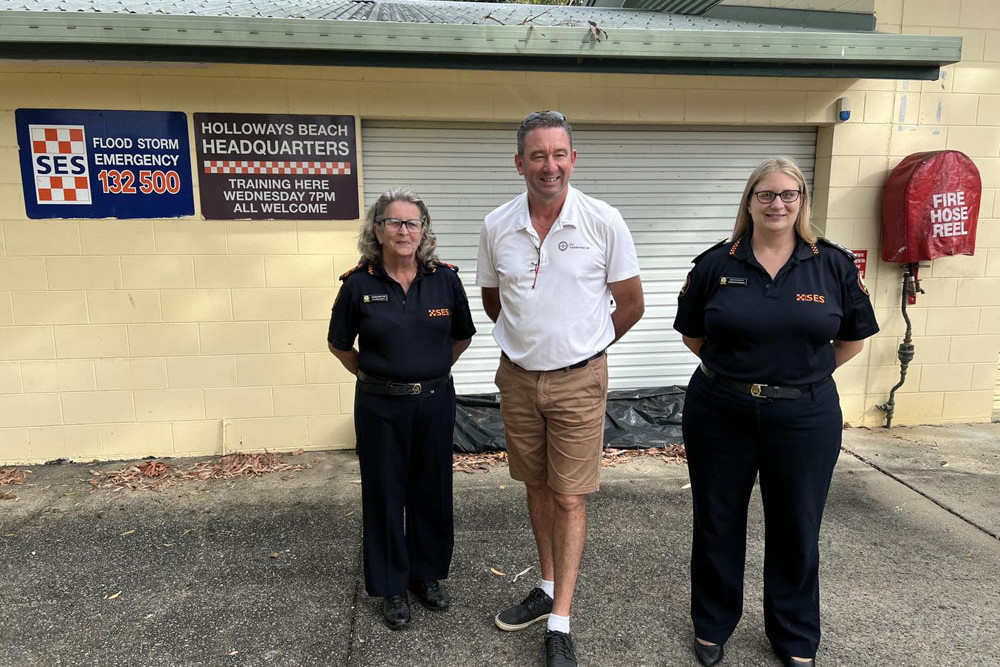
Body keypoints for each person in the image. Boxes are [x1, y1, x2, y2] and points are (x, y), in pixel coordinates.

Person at [673, 157, 879, 667]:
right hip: (721, 410)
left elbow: (852, 338)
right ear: (749, 201)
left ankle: (793, 635)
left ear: (802, 201)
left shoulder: (831, 264)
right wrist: (743, 379)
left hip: (804, 417)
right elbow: (694, 335)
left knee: (797, 524)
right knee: (718, 520)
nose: (777, 204)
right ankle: (713, 624)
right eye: (766, 194)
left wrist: (797, 378)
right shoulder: (716, 264)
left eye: (789, 194)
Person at [476, 110, 644, 667]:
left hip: (579, 381)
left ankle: (560, 622)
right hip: (518, 380)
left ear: (574, 158)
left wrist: (582, 348)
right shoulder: (496, 224)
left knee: (570, 495)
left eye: (559, 153)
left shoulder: (603, 221)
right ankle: (547, 586)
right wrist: (532, 346)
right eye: (538, 155)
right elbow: (494, 301)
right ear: (519, 162)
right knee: (537, 487)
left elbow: (632, 303)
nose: (550, 165)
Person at [327, 187, 476, 631]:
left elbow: (462, 337)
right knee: (386, 493)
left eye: (413, 223)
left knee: (432, 490)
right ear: (378, 230)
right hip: (379, 407)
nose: (404, 230)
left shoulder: (445, 279)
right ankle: (391, 585)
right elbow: (339, 344)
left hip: (433, 402)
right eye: (394, 222)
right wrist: (379, 379)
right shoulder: (359, 284)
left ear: (424, 230)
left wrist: (427, 374)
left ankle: (425, 576)